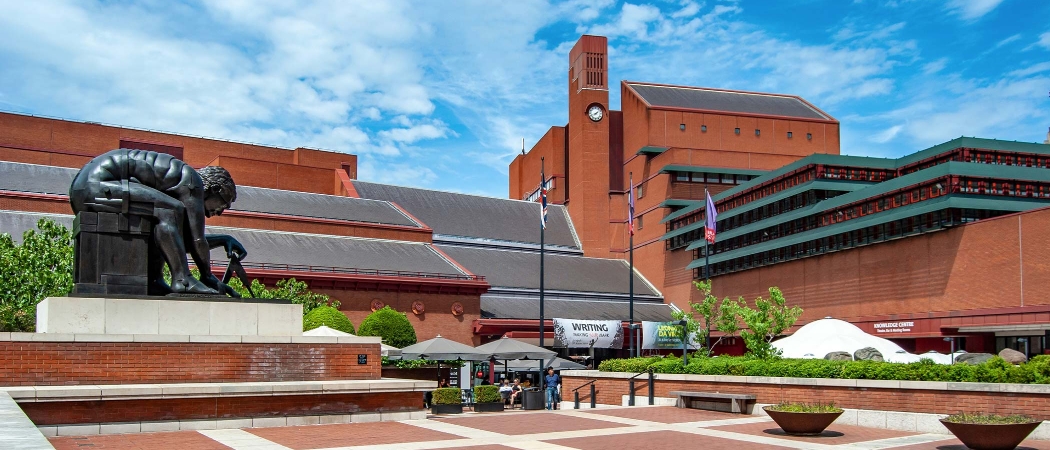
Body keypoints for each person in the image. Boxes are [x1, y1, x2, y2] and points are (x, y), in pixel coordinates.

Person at [69, 148, 244, 296]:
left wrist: (223, 239)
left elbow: (179, 241)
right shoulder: (193, 182)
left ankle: (154, 281)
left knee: (166, 217)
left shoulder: (177, 182)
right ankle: (182, 280)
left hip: (85, 188)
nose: (219, 212)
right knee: (170, 210)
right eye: (223, 204)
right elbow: (197, 240)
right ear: (214, 189)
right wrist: (208, 277)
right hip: (97, 185)